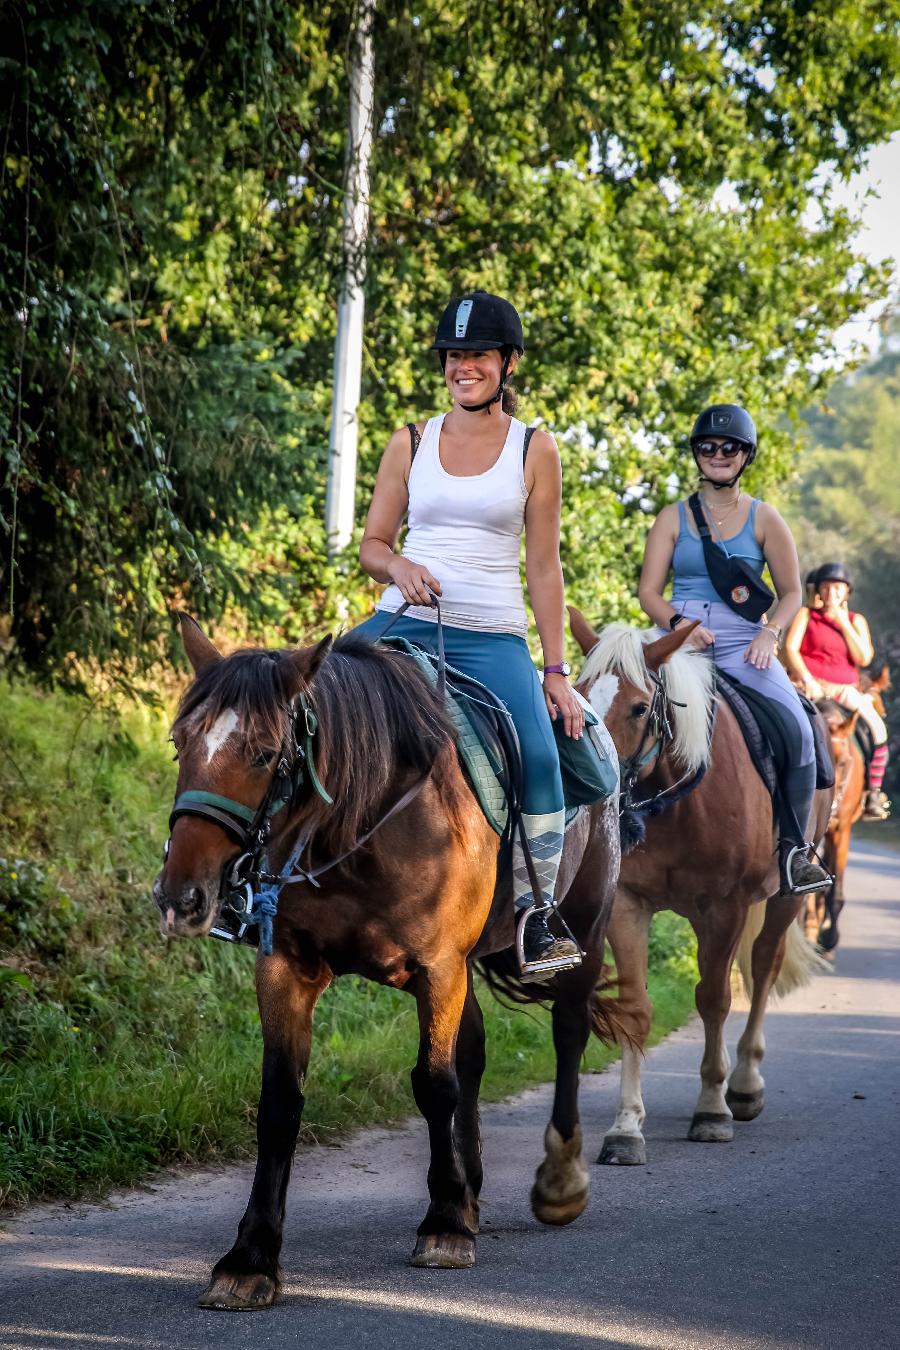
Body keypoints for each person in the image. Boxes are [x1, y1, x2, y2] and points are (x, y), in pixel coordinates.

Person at [355, 290, 584, 979]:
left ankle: (536, 917)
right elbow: (371, 543)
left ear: (507, 363)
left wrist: (555, 669)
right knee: (308, 707)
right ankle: (267, 890)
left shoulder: (536, 449)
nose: (464, 367)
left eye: (478, 354)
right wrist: (399, 563)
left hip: (492, 634)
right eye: (454, 356)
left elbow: (543, 568)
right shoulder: (411, 440)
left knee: (542, 762)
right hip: (404, 621)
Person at [637, 403, 830, 894]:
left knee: (799, 728)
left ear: (745, 455)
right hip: (677, 639)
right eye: (708, 447)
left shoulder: (766, 518)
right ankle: (604, 829)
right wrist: (680, 624)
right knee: (614, 705)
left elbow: (791, 593)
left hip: (746, 644)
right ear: (696, 455)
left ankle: (793, 851)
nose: (718, 455)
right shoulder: (671, 517)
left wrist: (770, 635)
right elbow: (648, 593)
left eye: (729, 448)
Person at [785, 562, 890, 820]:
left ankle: (873, 793)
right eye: (827, 587)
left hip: (845, 691)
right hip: (810, 687)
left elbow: (863, 657)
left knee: (877, 729)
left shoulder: (857, 621)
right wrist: (808, 679)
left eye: (837, 588)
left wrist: (842, 622)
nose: (831, 592)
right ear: (818, 590)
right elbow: (790, 649)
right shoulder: (806, 615)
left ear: (846, 592)